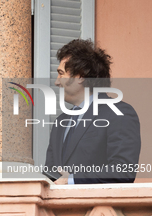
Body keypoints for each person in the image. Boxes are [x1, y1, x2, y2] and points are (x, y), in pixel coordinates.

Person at [44, 39, 141, 184]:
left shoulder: (118, 112)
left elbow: (123, 170)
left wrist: (72, 180)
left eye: (61, 73)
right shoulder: (60, 121)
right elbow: (50, 173)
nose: (57, 82)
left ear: (80, 76)